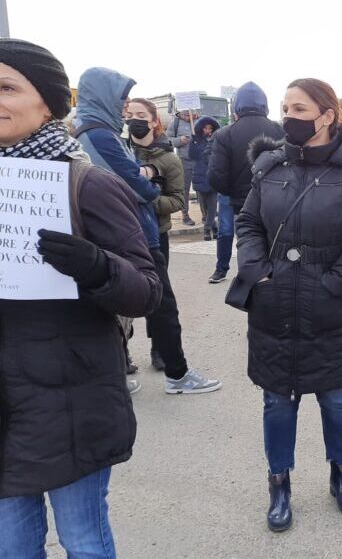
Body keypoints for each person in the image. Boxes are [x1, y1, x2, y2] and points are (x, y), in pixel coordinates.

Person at [0, 38, 161, 558]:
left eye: (6, 87)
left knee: (83, 539)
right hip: (6, 407)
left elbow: (146, 292)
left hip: (72, 399)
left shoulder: (87, 185)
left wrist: (96, 267)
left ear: (48, 101)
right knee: (12, 544)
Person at [226, 77, 342, 531]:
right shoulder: (270, 167)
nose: (288, 117)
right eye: (285, 108)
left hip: (333, 311)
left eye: (299, 109)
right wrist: (259, 270)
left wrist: (335, 283)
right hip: (274, 307)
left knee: (337, 401)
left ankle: (341, 474)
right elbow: (248, 222)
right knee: (277, 403)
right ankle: (279, 483)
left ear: (327, 115)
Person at [76, 66, 221, 395]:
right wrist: (146, 179)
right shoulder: (98, 134)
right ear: (103, 96)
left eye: (134, 106)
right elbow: (140, 188)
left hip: (126, 231)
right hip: (131, 233)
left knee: (122, 305)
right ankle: (177, 374)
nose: (127, 109)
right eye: (123, 100)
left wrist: (145, 175)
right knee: (161, 303)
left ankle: (121, 372)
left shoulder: (99, 131)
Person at [207, 81, 285, 284]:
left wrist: (231, 193)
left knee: (235, 237)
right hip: (274, 199)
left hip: (237, 201)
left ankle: (223, 270)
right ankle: (274, 280)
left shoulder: (225, 133)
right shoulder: (279, 130)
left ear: (237, 106)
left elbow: (216, 175)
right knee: (272, 241)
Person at [126, 98, 185, 263]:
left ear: (153, 122)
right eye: (129, 115)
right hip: (122, 232)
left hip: (156, 235)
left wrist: (146, 200)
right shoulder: (120, 155)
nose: (134, 120)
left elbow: (178, 200)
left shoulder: (169, 159)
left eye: (141, 115)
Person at [166, 108, 199, 226]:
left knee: (202, 187)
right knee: (184, 189)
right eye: (185, 115)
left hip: (201, 161)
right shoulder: (175, 123)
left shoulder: (201, 120)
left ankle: (206, 214)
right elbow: (167, 141)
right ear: (181, 114)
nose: (188, 116)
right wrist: (180, 141)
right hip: (184, 161)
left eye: (190, 113)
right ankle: (185, 215)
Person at [190, 116, 221, 241]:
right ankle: (214, 227)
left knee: (213, 206)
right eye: (205, 128)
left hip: (212, 176)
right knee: (205, 208)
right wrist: (193, 141)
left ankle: (207, 229)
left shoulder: (217, 141)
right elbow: (191, 155)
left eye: (210, 128)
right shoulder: (197, 140)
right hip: (199, 176)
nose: (208, 130)